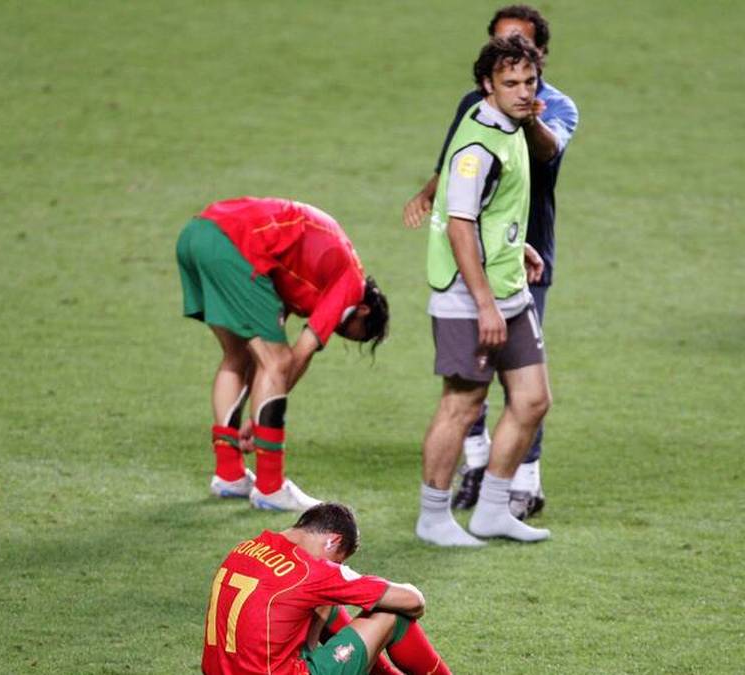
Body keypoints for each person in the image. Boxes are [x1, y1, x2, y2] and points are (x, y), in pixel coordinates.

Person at [404, 4, 578, 519]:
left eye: (530, 76)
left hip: (516, 267)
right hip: (473, 286)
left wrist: (515, 246)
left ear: (540, 60)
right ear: (488, 84)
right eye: (511, 78)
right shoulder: (482, 132)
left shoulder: (532, 117)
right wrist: (482, 302)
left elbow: (519, 180)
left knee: (529, 395)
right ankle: (441, 509)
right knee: (464, 401)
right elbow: (462, 216)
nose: (524, 86)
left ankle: (503, 499)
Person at [176, 197, 389, 511]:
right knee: (278, 360)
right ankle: (271, 487)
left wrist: (257, 419)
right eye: (355, 333)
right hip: (235, 246)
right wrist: (256, 421)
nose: (342, 334)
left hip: (197, 234)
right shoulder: (351, 285)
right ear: (362, 310)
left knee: (239, 357)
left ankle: (229, 474)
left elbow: (265, 365)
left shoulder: (305, 279)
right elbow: (297, 356)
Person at [202, 503, 452, 675]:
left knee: (323, 602)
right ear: (334, 540)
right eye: (339, 560)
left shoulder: (244, 548)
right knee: (391, 615)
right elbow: (413, 600)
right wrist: (344, 574)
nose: (335, 566)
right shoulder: (313, 570)